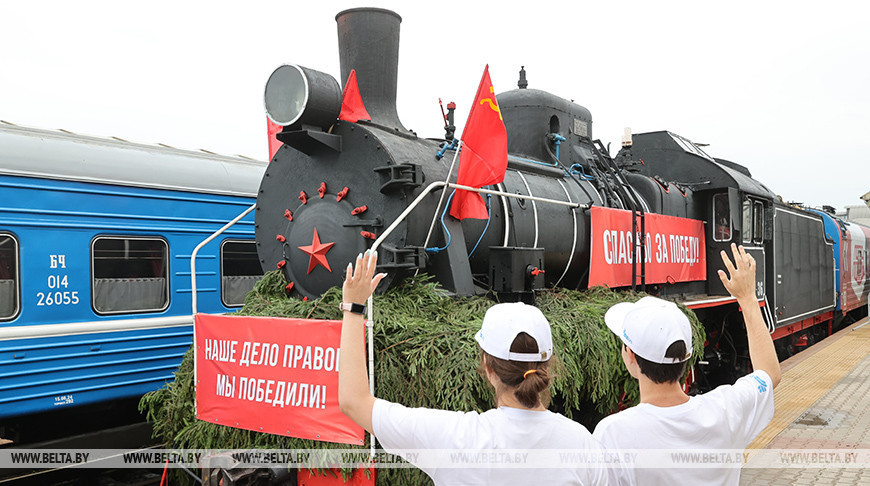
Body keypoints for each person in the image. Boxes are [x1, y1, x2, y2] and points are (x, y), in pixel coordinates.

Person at [338, 250, 610, 485]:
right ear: (547, 366)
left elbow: (354, 401)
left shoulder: (453, 437)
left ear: (486, 366)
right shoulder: (582, 444)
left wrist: (353, 307)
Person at [592, 243, 781, 485]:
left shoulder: (613, 434)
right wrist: (747, 298)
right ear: (687, 356)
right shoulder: (726, 409)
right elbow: (769, 373)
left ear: (630, 355)